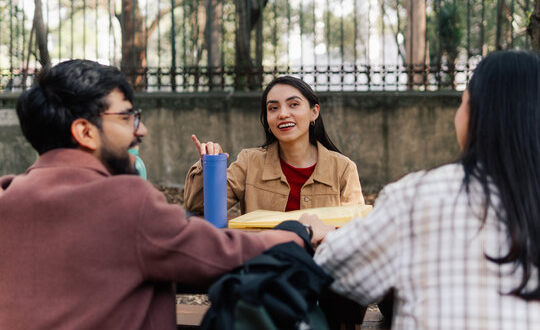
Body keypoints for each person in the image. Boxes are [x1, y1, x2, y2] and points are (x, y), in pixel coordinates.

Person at [0, 60, 329, 330]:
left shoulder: (7, 196)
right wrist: (299, 232)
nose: (140, 130)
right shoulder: (125, 202)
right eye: (128, 117)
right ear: (85, 132)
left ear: (314, 112)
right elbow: (222, 251)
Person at [313, 50, 540, 328]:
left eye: (462, 103)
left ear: (473, 113)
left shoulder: (416, 194)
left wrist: (322, 234)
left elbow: (337, 268)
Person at [184, 75, 364, 214]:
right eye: (273, 108)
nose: (283, 114)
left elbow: (355, 229)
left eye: (293, 104)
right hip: (263, 259)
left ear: (314, 112)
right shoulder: (249, 162)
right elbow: (199, 206)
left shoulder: (343, 169)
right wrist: (209, 167)